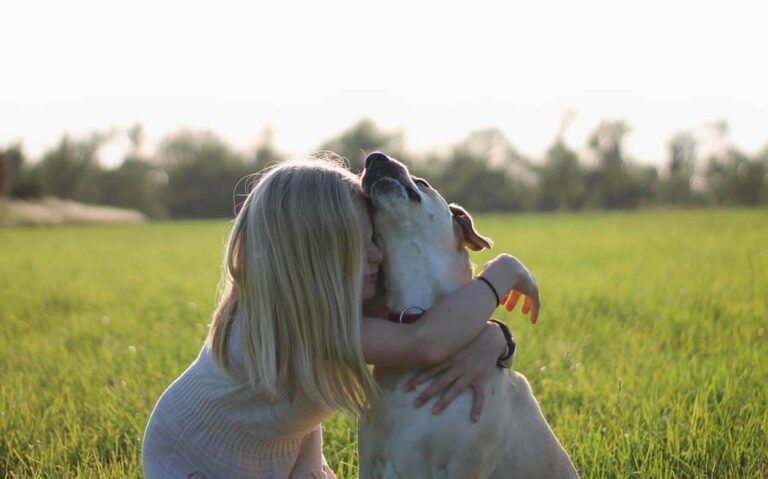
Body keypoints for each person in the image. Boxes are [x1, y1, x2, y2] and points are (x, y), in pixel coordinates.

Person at [142, 157, 539, 478]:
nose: (377, 255)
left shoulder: (332, 304)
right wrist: (502, 273)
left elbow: (439, 324)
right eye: (362, 244)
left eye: (375, 239)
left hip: (279, 453)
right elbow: (425, 343)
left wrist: (495, 338)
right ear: (314, 258)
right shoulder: (298, 325)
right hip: (195, 455)